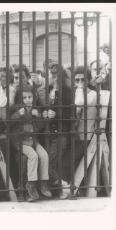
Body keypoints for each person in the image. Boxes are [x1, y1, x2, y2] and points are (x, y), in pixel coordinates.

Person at [10, 84, 52, 202]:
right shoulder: (15, 109)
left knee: (44, 155)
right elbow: (9, 123)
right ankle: (31, 184)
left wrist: (38, 117)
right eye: (24, 98)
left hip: (33, 141)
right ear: (20, 99)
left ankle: (44, 183)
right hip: (20, 142)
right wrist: (18, 114)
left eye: (30, 97)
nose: (27, 100)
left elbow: (39, 127)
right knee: (33, 156)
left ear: (33, 98)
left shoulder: (35, 109)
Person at [39, 62, 73, 199]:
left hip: (60, 132)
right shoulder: (46, 90)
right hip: (46, 132)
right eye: (51, 74)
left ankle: (64, 187)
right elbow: (41, 106)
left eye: (56, 74)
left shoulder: (68, 91)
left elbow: (70, 114)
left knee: (50, 163)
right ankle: (61, 187)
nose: (54, 77)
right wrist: (44, 113)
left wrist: (56, 115)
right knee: (46, 162)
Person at [73, 66, 98, 187]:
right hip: (74, 134)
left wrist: (78, 90)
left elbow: (79, 104)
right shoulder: (74, 93)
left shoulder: (93, 94)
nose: (80, 83)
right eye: (77, 80)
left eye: (83, 80)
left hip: (86, 136)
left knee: (78, 165)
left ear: (88, 80)